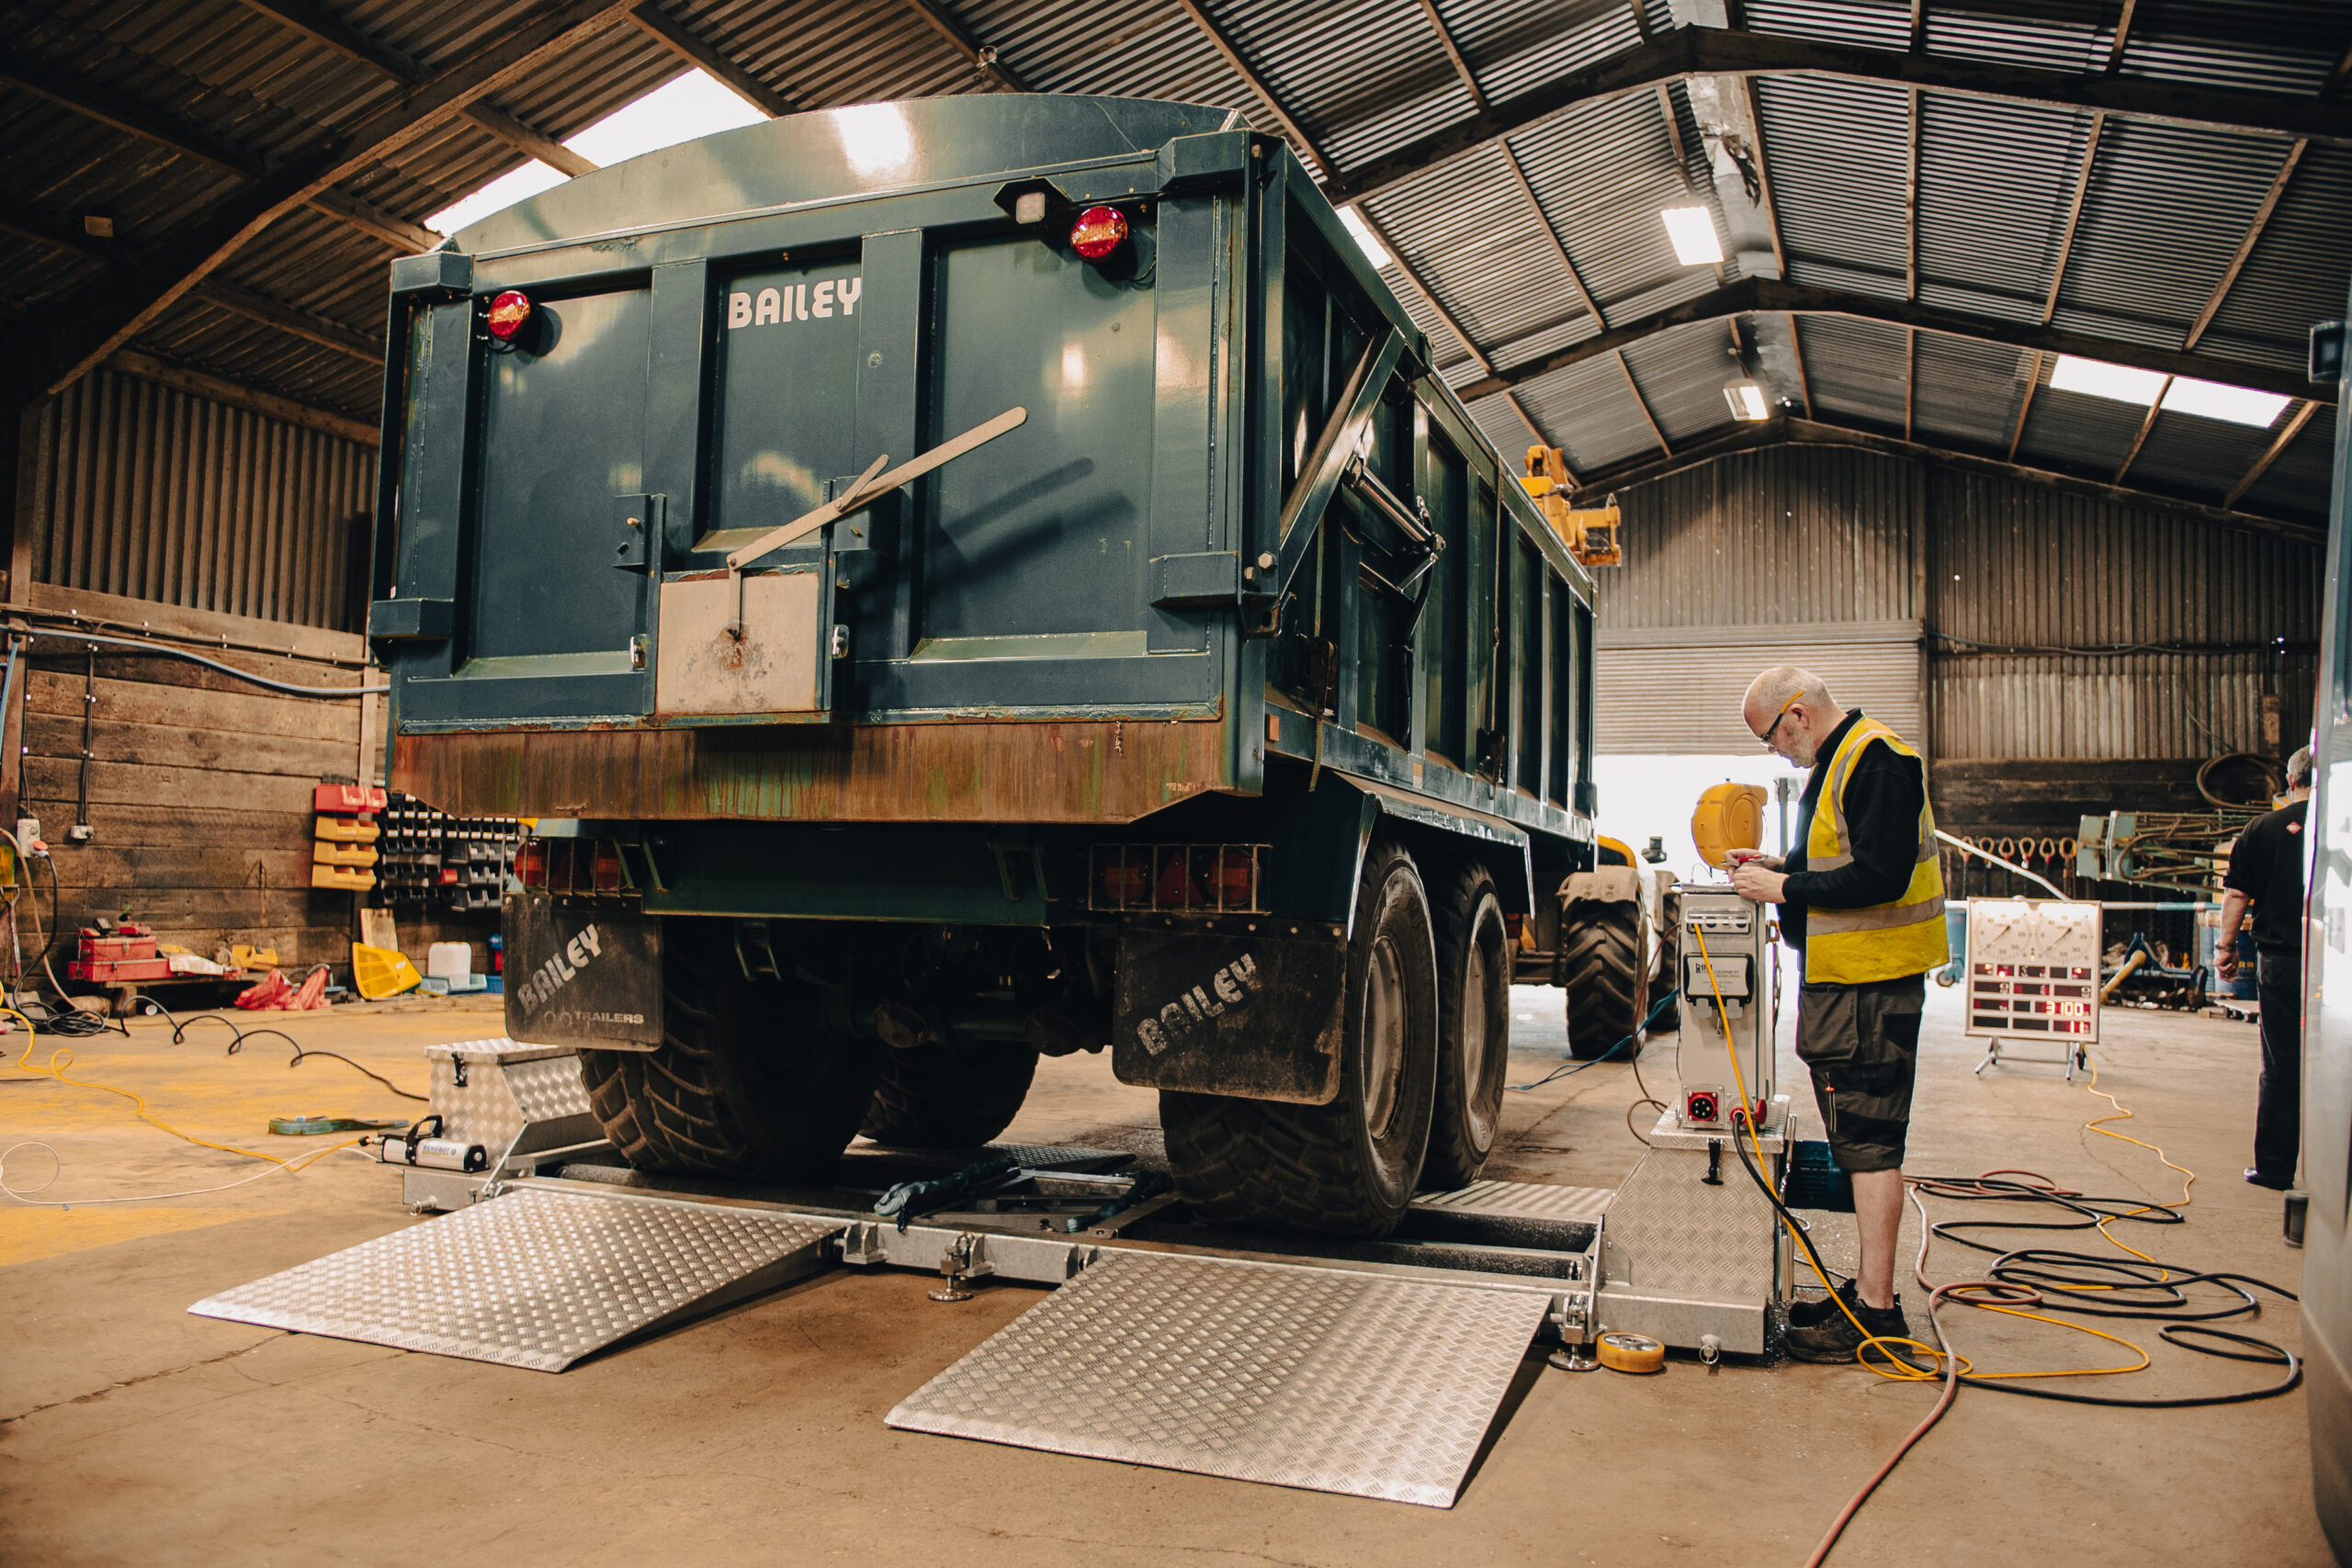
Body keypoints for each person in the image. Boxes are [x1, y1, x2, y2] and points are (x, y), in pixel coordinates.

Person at [1724, 665, 1948, 1364]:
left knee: (1871, 1146)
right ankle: (1870, 1293)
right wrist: (1777, 866)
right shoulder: (1841, 761)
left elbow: (1880, 875)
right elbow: (1839, 859)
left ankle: (1878, 1315)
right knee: (1857, 1142)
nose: (1774, 750)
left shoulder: (1875, 759)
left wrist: (1783, 888)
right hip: (1849, 984)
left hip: (1871, 987)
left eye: (1770, 736)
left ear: (1797, 714)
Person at [2218, 746, 2312, 1192]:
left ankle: (2274, 1169)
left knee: (2281, 1064)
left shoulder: (2262, 828)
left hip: (2282, 964)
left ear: (2290, 782)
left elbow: (2237, 894)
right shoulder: (2344, 826)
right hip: (2337, 965)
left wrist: (2225, 948)